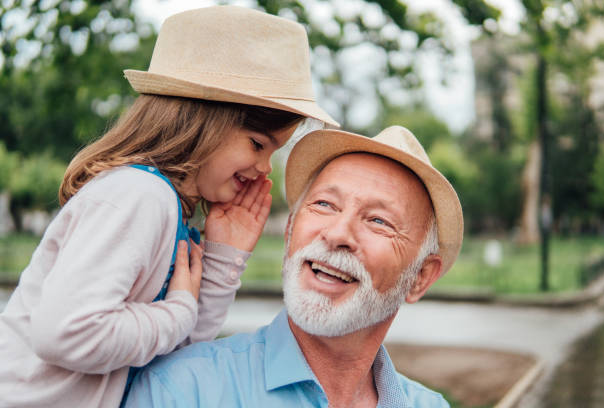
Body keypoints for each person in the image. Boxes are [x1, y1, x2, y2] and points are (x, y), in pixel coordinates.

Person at [0, 6, 338, 408]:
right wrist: (177, 313)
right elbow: (65, 333)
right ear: (203, 122)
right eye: (257, 144)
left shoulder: (169, 210)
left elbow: (178, 356)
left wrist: (223, 258)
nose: (265, 168)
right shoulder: (139, 195)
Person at [125, 125, 464, 407]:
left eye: (378, 220)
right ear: (289, 233)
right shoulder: (183, 392)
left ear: (420, 278)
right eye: (324, 204)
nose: (336, 234)